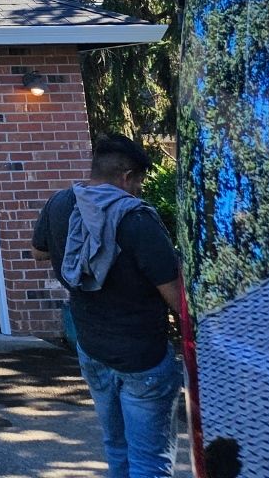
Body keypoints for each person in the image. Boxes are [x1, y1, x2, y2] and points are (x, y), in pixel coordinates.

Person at [33, 135, 183, 478]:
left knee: (117, 447)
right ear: (127, 176)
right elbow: (175, 294)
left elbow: (38, 251)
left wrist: (71, 247)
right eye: (140, 182)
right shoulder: (138, 219)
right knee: (150, 461)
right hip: (143, 359)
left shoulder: (60, 204)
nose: (140, 190)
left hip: (92, 349)